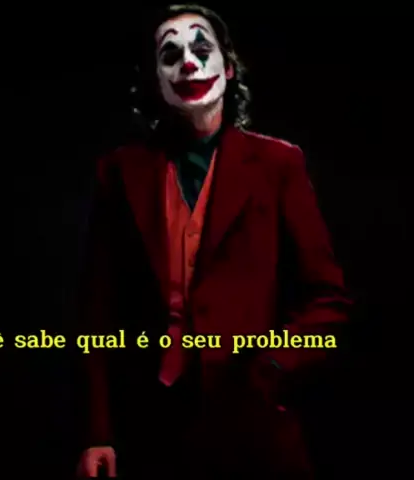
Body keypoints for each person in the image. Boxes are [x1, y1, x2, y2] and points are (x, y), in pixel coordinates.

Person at [76, 4, 351, 478]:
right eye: (170, 55)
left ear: (228, 68)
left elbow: (329, 299)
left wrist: (273, 367)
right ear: (156, 80)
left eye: (202, 49)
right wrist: (97, 432)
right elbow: (97, 311)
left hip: (254, 429)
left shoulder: (278, 164)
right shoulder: (120, 172)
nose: (188, 62)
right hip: (150, 428)